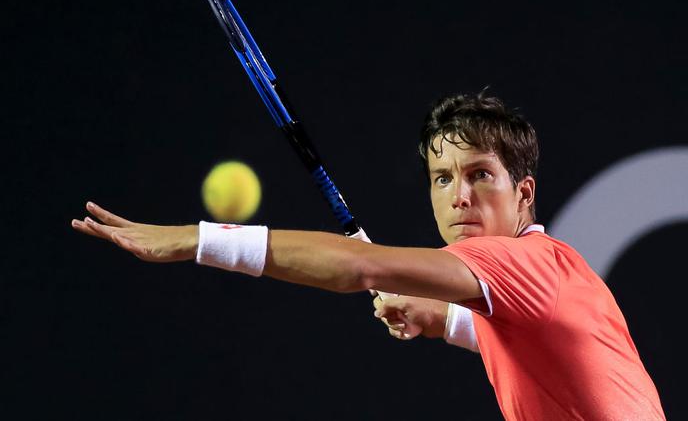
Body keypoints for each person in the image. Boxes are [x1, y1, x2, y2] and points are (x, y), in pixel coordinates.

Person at [71, 91, 665, 420]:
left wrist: (195, 240)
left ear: (524, 194)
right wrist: (438, 319)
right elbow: (530, 340)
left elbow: (360, 267)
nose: (458, 196)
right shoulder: (552, 272)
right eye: (441, 178)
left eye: (481, 175)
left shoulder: (519, 264)